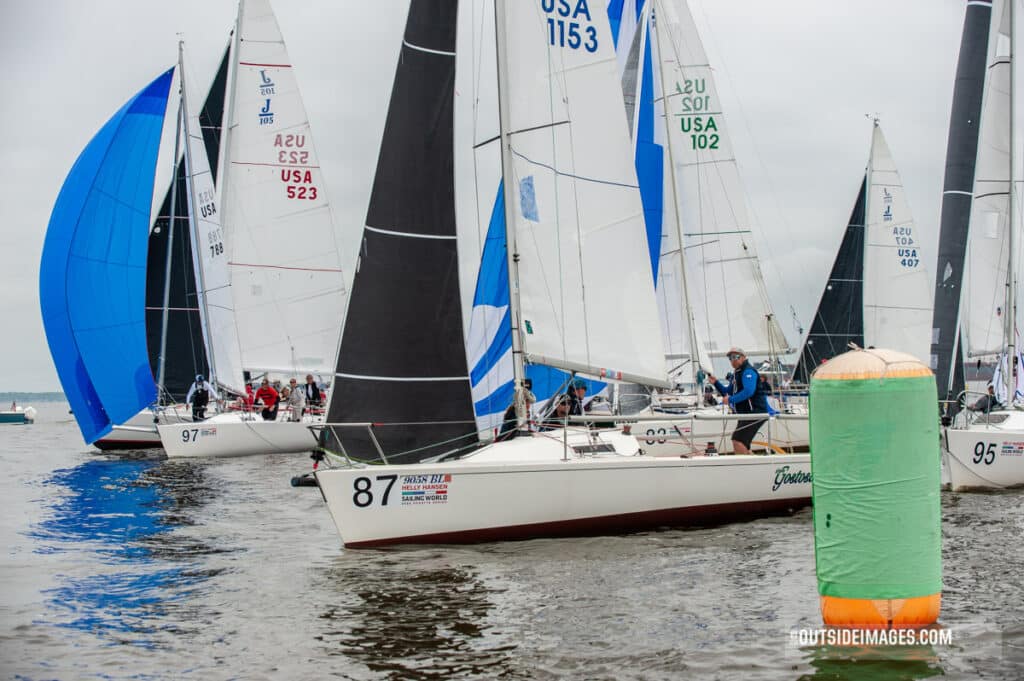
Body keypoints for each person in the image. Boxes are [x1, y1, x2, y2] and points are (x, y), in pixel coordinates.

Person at [706, 347, 770, 455]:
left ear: (744, 358)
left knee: (738, 440)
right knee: (743, 443)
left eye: (736, 357)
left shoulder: (748, 371)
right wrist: (716, 383)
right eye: (730, 358)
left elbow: (749, 391)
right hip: (745, 414)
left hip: (755, 412)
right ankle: (753, 467)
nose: (733, 360)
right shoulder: (736, 373)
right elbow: (727, 392)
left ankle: (744, 469)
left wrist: (730, 399)